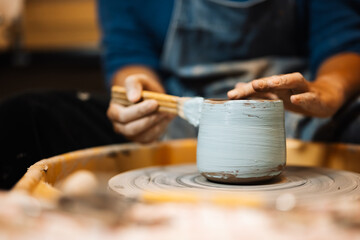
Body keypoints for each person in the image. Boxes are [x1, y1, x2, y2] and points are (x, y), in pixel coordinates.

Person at [1, 0, 359, 189]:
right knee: (28, 116)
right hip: (175, 118)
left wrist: (329, 91)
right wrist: (140, 92)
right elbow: (129, 54)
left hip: (297, 111)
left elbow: (343, 39)